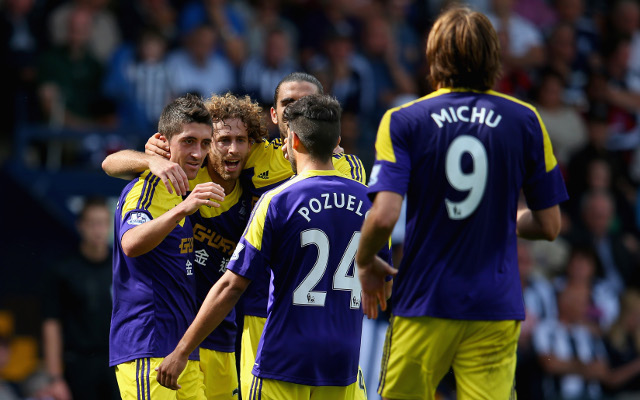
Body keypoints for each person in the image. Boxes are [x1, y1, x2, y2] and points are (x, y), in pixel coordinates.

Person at [355, 7, 568, 400]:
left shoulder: (404, 120)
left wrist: (365, 261)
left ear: (434, 55)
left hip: (424, 301)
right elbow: (550, 226)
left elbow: (384, 215)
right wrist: (511, 216)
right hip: (495, 305)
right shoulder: (525, 120)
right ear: (493, 57)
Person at [156, 94, 389, 400]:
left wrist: (182, 350)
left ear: (293, 142)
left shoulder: (278, 201)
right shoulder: (370, 204)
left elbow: (231, 286)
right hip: (342, 359)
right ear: (337, 142)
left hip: (283, 359)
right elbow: (382, 289)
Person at [103, 93, 266, 399]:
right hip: (149, 340)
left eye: (204, 143)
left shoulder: (257, 185)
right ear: (166, 141)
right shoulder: (161, 184)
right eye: (192, 142)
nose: (198, 152)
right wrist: (152, 161)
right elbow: (130, 242)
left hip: (192, 340)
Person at [41, 197, 118, 400]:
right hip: (79, 364)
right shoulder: (63, 270)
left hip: (118, 362)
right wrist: (55, 377)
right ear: (80, 226)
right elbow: (51, 324)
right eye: (92, 223)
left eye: (103, 223)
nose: (98, 230)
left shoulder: (123, 267)